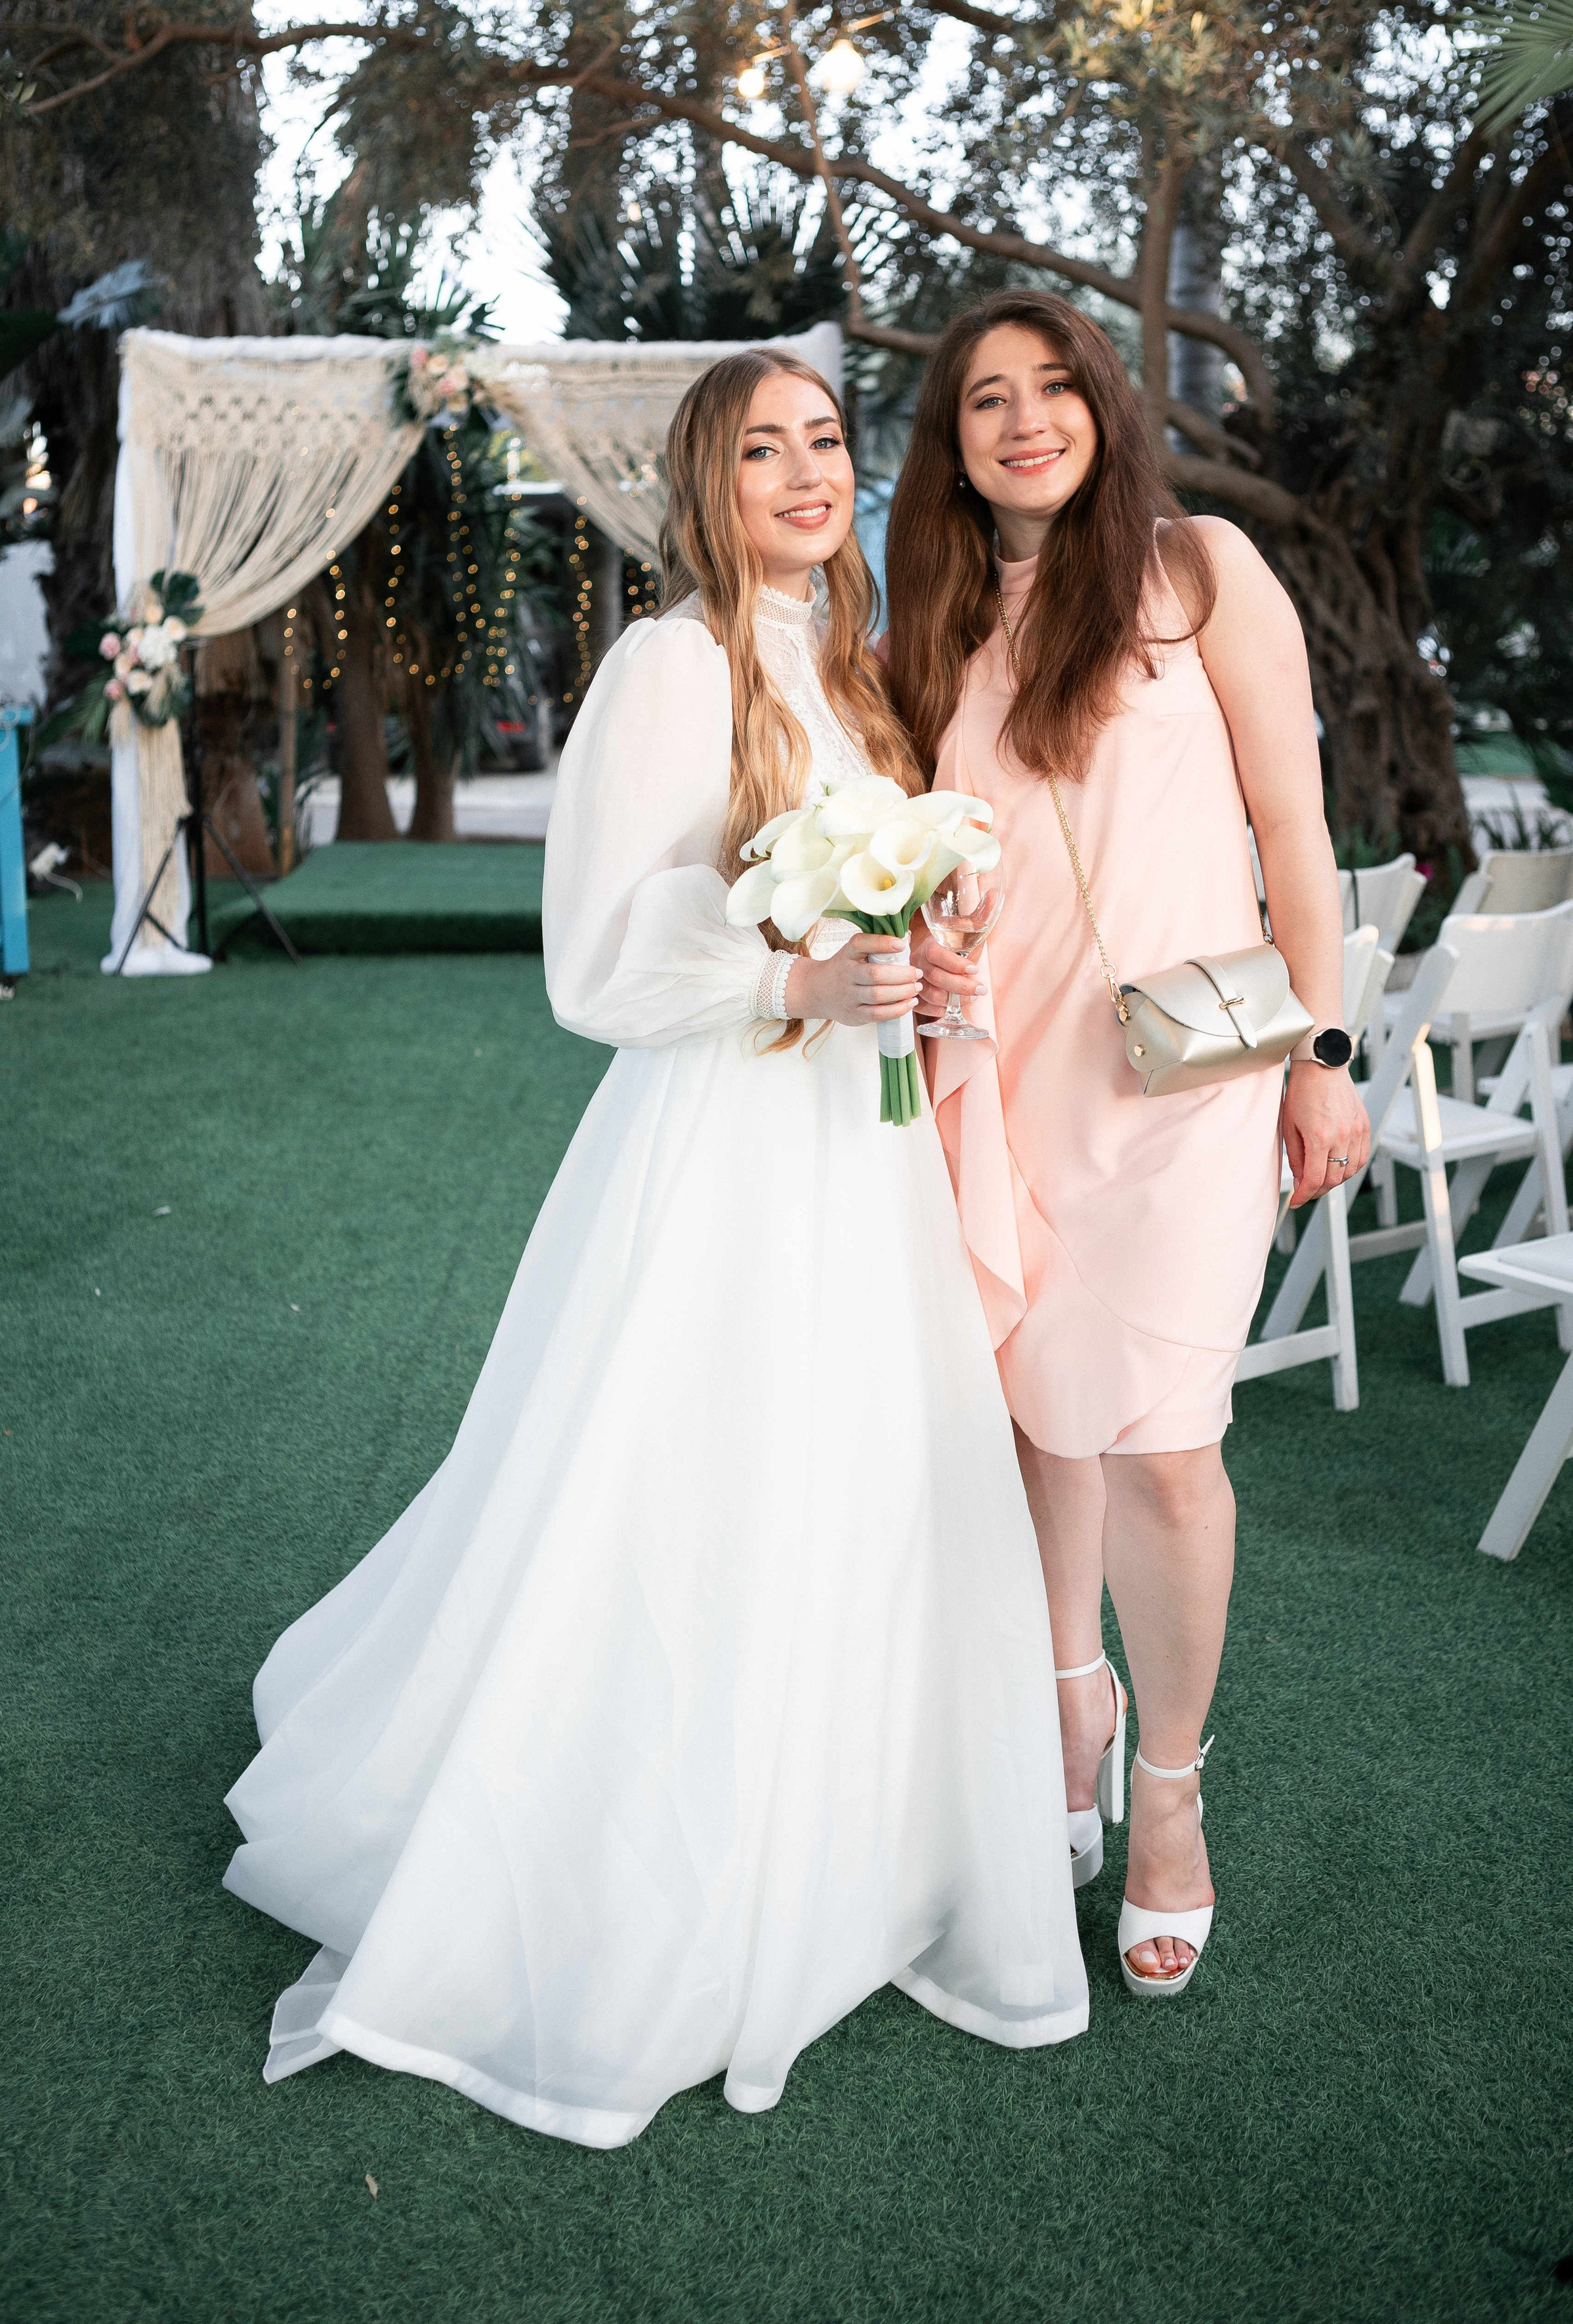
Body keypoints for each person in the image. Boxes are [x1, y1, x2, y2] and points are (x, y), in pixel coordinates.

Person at [222, 347, 1088, 2148]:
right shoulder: (666, 662)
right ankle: (654, 1869)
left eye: (825, 441)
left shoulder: (854, 671)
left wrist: (914, 958)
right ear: (706, 483)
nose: (799, 471)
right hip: (721, 1149)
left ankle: (850, 1859)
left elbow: (880, 901)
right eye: (758, 447)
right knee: (698, 1486)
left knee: (864, 1487)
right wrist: (791, 972)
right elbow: (594, 965)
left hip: (864, 1161)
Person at [886, 292, 1370, 1998]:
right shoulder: (937, 622)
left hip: (1191, 1089)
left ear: (1103, 401)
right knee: (1041, 1428)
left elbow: (1298, 830)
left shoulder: (1203, 571)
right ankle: (1063, 1704)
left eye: (1053, 388)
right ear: (952, 444)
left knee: (1167, 1448)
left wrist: (1324, 1050)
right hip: (1005, 1080)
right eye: (986, 402)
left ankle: (1167, 1791)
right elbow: (923, 855)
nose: (1026, 422)